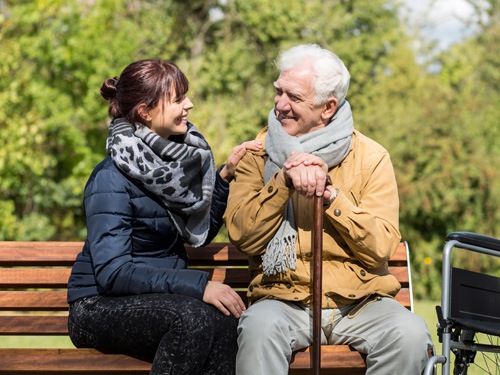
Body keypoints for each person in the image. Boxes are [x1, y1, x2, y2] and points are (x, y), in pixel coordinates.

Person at [225, 44, 433, 375]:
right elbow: (243, 236)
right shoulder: (257, 154)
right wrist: (284, 181)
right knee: (259, 328)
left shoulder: (371, 157)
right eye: (278, 91)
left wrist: (332, 197)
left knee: (409, 335)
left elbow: (380, 246)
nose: (280, 105)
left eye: (293, 97)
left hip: (360, 303)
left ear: (328, 107)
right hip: (283, 301)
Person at [67, 59, 261, 375]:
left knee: (227, 323)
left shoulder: (172, 169)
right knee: (191, 319)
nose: (189, 104)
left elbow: (197, 232)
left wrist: (224, 176)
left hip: (159, 299)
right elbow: (113, 272)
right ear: (145, 112)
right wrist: (201, 286)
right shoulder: (110, 179)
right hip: (97, 306)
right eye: (178, 99)